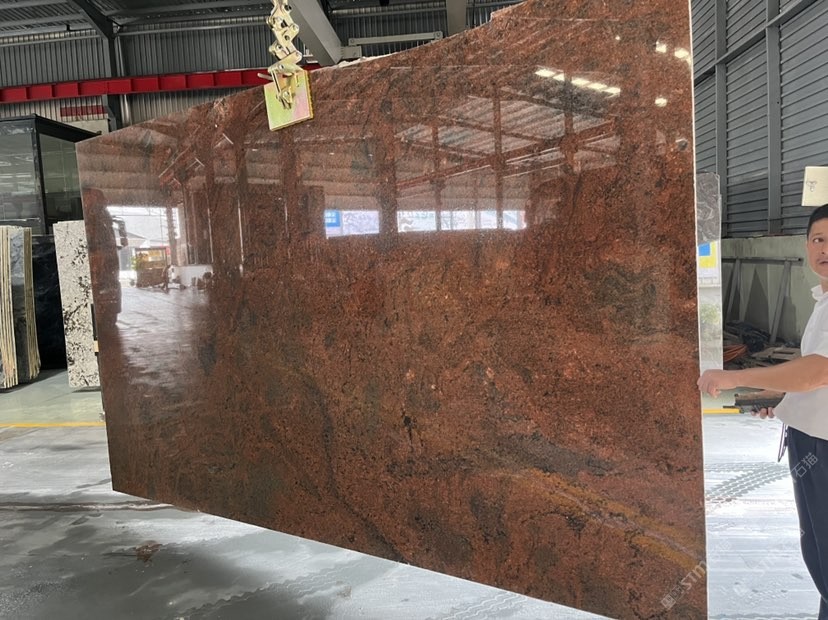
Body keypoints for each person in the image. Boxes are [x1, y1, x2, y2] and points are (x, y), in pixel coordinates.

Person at [698, 204, 828, 619]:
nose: (825, 249)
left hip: (823, 447)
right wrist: (778, 397)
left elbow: (817, 372)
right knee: (819, 550)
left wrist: (734, 377)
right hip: (811, 439)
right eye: (818, 239)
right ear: (806, 245)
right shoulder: (822, 299)